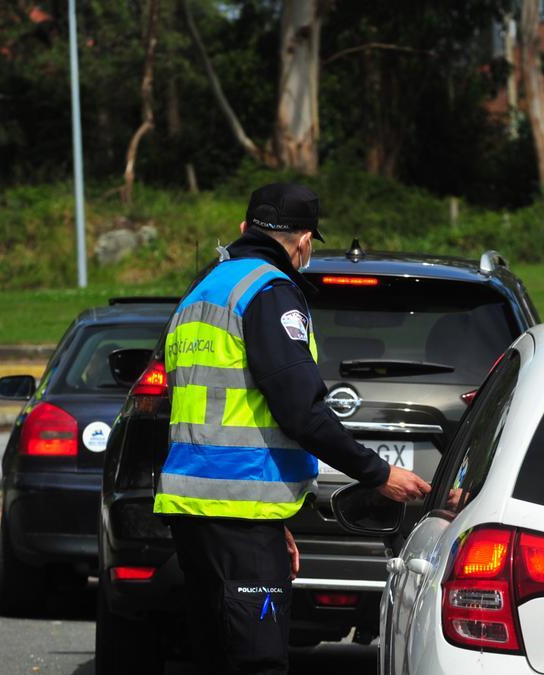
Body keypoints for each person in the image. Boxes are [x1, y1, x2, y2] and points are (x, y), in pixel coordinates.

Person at [154, 183, 431, 674]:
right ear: (304, 241)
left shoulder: (202, 291)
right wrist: (376, 474)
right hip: (240, 515)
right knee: (258, 662)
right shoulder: (270, 293)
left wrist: (272, 518)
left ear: (244, 229)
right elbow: (300, 410)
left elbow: (202, 408)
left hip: (193, 511)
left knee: (216, 657)